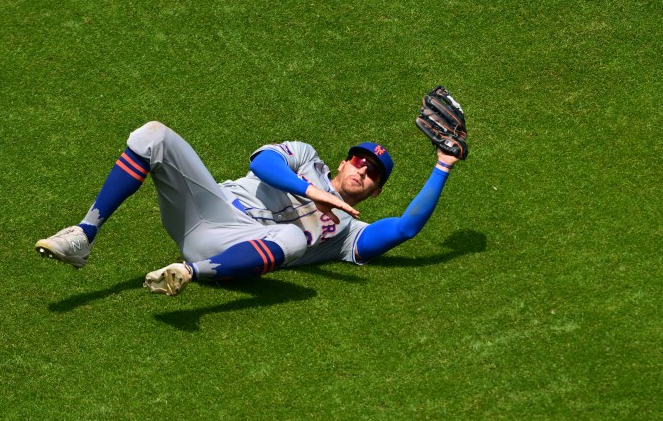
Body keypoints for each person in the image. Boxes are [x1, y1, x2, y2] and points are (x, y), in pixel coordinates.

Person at [35, 120, 461, 296]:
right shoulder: (305, 157)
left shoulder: (350, 234)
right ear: (345, 160)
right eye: (359, 160)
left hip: (227, 253)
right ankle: (83, 235)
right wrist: (312, 193)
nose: (363, 170)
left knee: (297, 236)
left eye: (373, 175)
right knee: (154, 135)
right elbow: (261, 162)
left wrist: (442, 165)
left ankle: (184, 274)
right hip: (208, 207)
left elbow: (405, 229)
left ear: (374, 193)